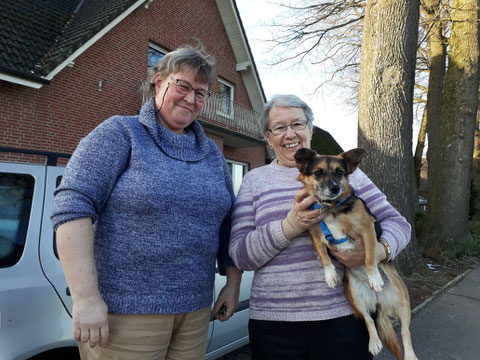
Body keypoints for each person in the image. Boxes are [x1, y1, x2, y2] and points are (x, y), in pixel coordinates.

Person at [51, 43, 242, 360]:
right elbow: (72, 208)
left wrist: (232, 284)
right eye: (183, 86)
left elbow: (228, 224)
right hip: (125, 316)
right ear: (159, 82)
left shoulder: (212, 155)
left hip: (195, 312)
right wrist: (86, 298)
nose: (191, 98)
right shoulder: (120, 134)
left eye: (201, 93)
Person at [228, 94, 411, 360]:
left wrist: (379, 251)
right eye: (279, 127)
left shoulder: (345, 174)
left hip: (345, 317)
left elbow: (398, 224)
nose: (290, 133)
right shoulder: (255, 181)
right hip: (275, 324)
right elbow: (241, 254)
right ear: (268, 137)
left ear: (310, 130)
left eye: (298, 124)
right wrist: (290, 225)